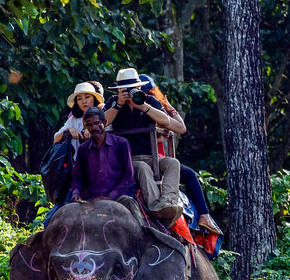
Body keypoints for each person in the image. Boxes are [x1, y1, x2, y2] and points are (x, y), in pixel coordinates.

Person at [137, 74, 222, 235]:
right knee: (189, 175)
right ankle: (203, 215)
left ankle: (198, 214)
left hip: (154, 160)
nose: (148, 95)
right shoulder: (152, 110)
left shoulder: (142, 109)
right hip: (153, 160)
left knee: (179, 169)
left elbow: (179, 129)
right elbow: (180, 128)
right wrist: (167, 106)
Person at [103, 67, 182, 226]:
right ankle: (155, 207)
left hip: (150, 156)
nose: (130, 92)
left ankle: (168, 202)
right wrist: (118, 104)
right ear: (119, 90)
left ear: (139, 87)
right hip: (127, 159)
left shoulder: (149, 101)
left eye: (133, 89)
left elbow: (166, 121)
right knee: (142, 168)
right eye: (125, 89)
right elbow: (102, 122)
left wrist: (143, 106)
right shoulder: (113, 102)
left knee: (173, 163)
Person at [68, 107, 136, 202]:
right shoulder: (83, 149)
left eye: (96, 123)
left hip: (119, 197)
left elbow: (129, 177)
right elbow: (78, 178)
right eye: (89, 125)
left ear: (104, 123)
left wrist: (111, 196)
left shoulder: (121, 143)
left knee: (130, 206)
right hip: (92, 199)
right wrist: (76, 193)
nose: (93, 128)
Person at [53, 82, 104, 153]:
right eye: (79, 99)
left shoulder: (103, 115)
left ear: (94, 98)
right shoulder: (73, 119)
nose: (84, 101)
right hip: (77, 161)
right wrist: (68, 130)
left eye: (87, 97)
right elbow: (55, 139)